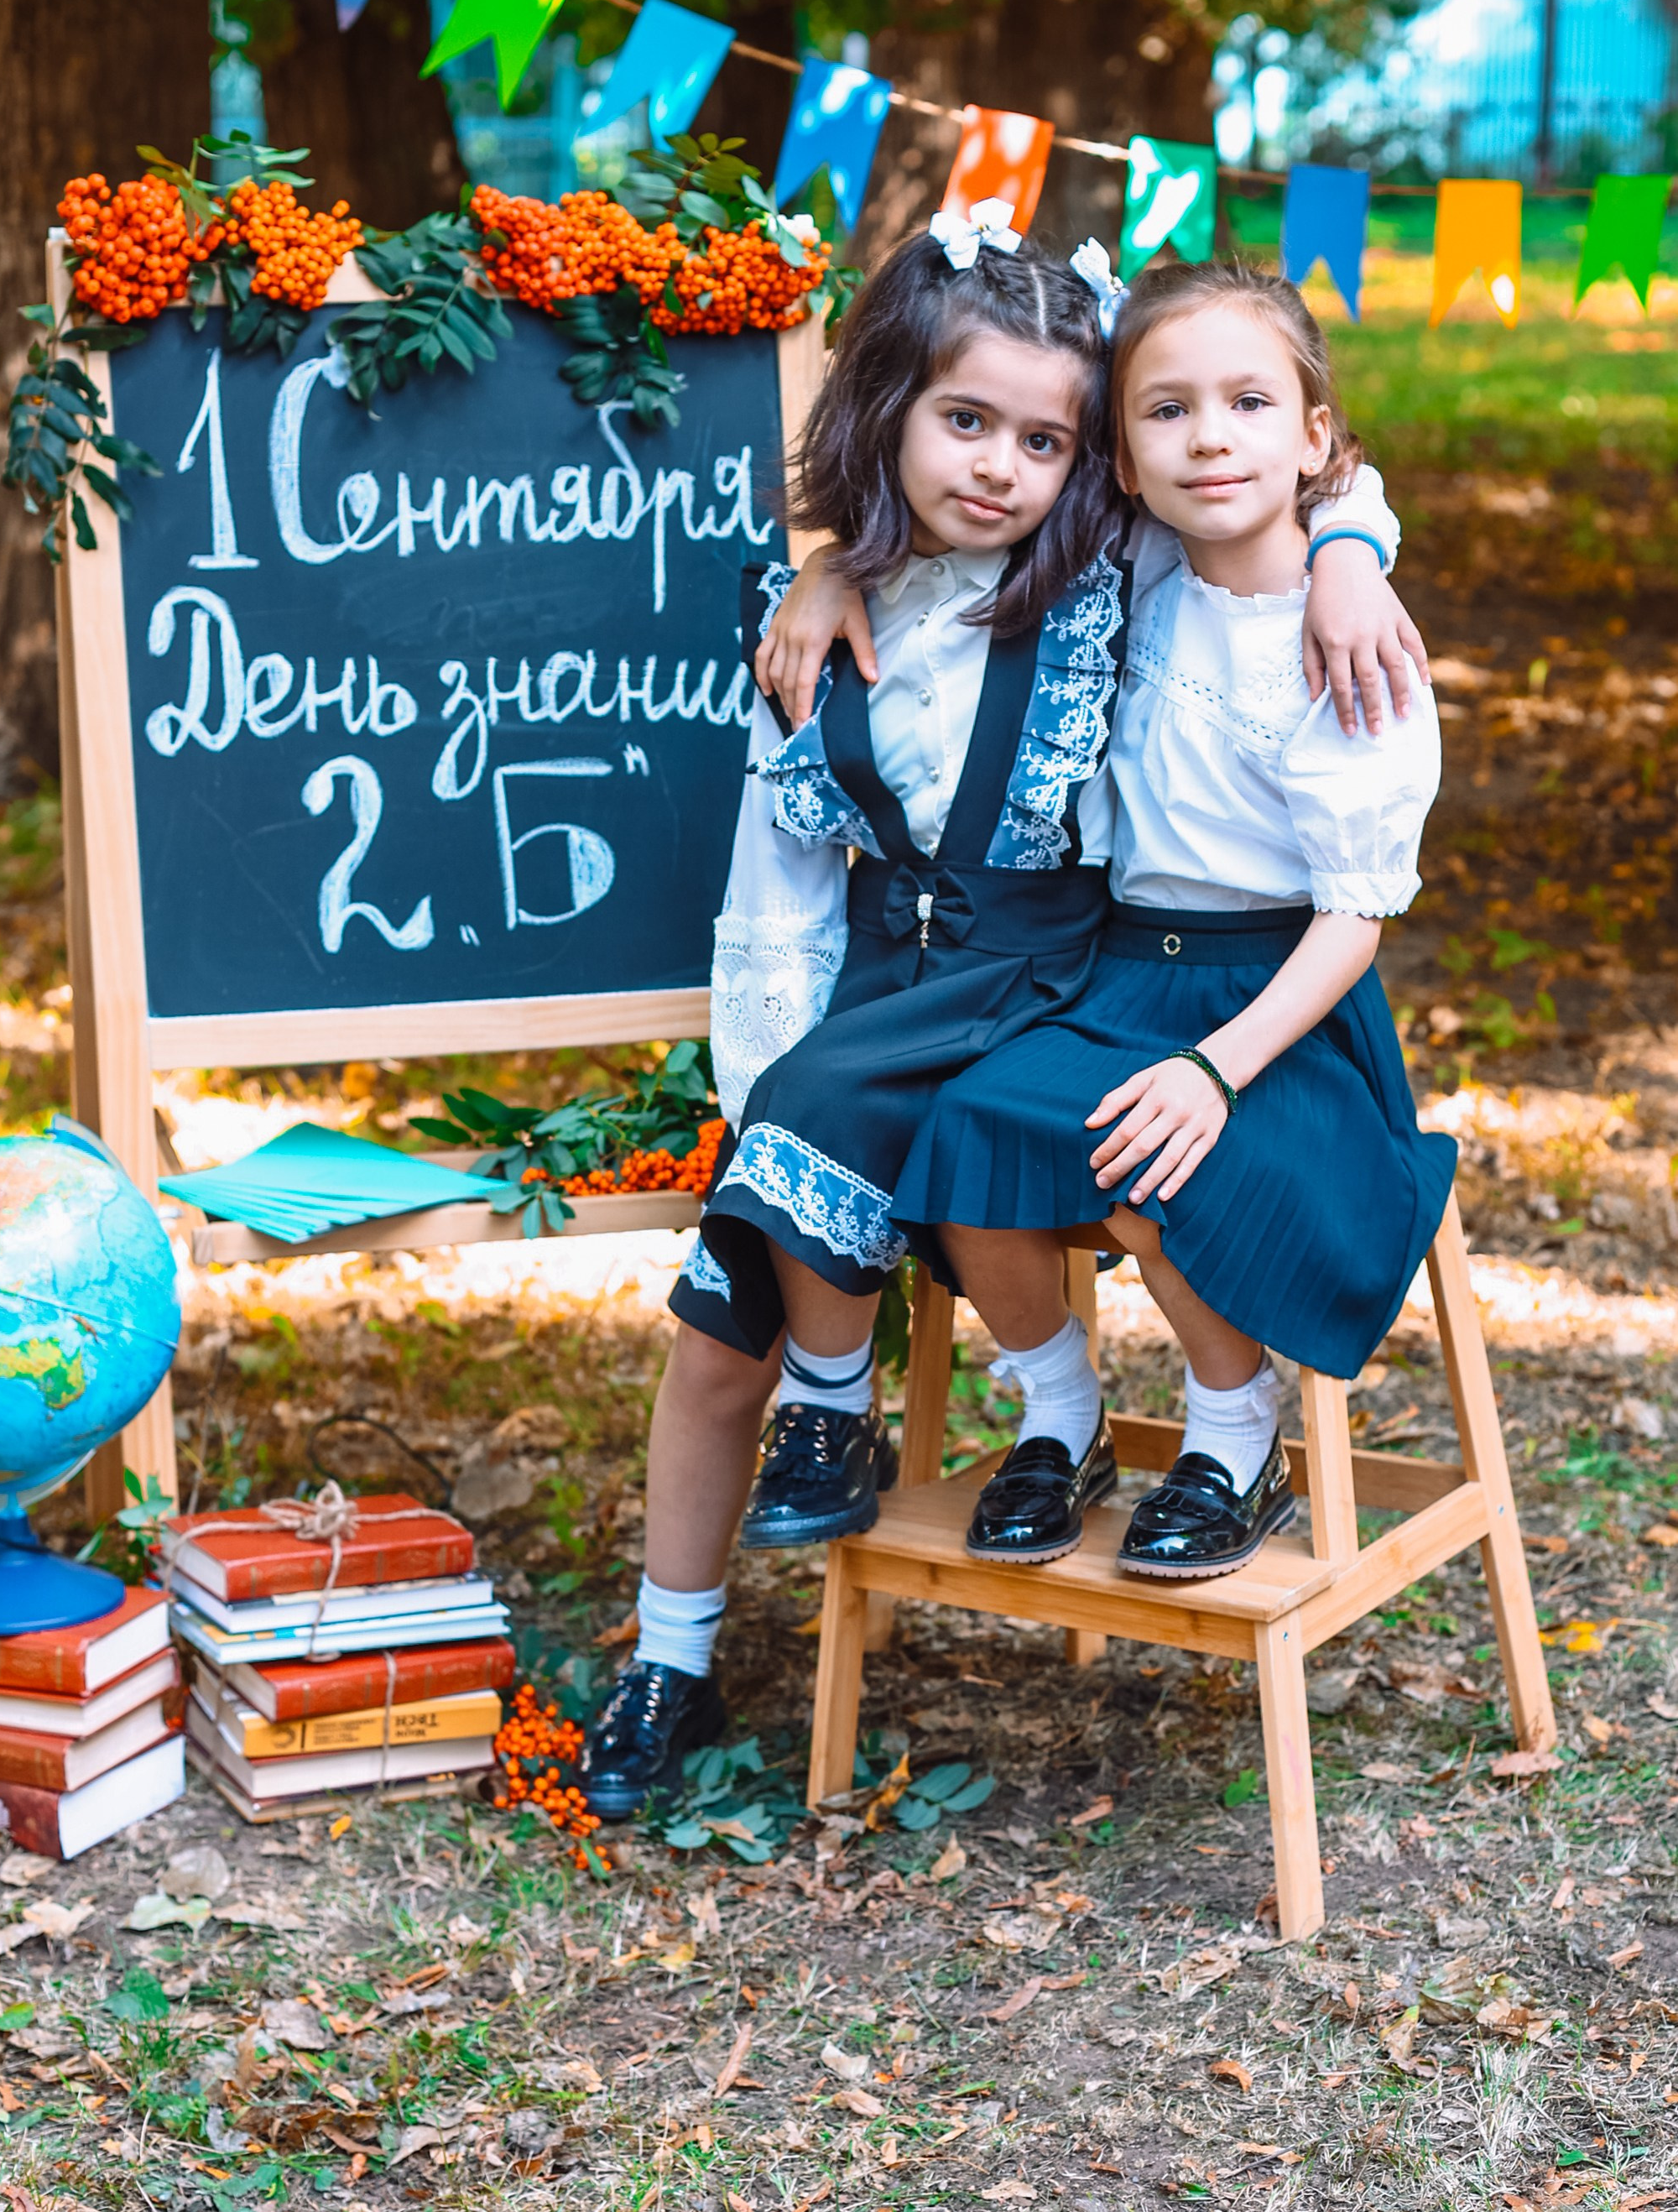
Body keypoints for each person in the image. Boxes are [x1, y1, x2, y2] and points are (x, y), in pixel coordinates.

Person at [579, 217, 1422, 1819]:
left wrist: (1343, 553)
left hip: (1048, 987)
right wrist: (833, 562)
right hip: (855, 1026)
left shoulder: (1103, 569)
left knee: (922, 1155)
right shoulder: (807, 615)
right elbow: (777, 889)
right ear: (888, 399)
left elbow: (1280, 460)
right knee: (712, 1337)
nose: (1001, 466)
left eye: (1045, 437)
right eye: (966, 422)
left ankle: (935, 1419)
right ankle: (669, 1659)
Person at [895, 256, 1455, 1580]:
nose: (1210, 434)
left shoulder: (1354, 649)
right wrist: (817, 580)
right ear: (1124, 462)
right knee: (965, 1132)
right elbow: (927, 532)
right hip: (1113, 976)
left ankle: (1229, 1436)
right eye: (1166, 411)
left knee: (1158, 1162)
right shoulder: (1129, 558)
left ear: (1312, 436)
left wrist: (1344, 557)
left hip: (1279, 1008)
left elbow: (1353, 919)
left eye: (1249, 403)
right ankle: (1061, 1415)